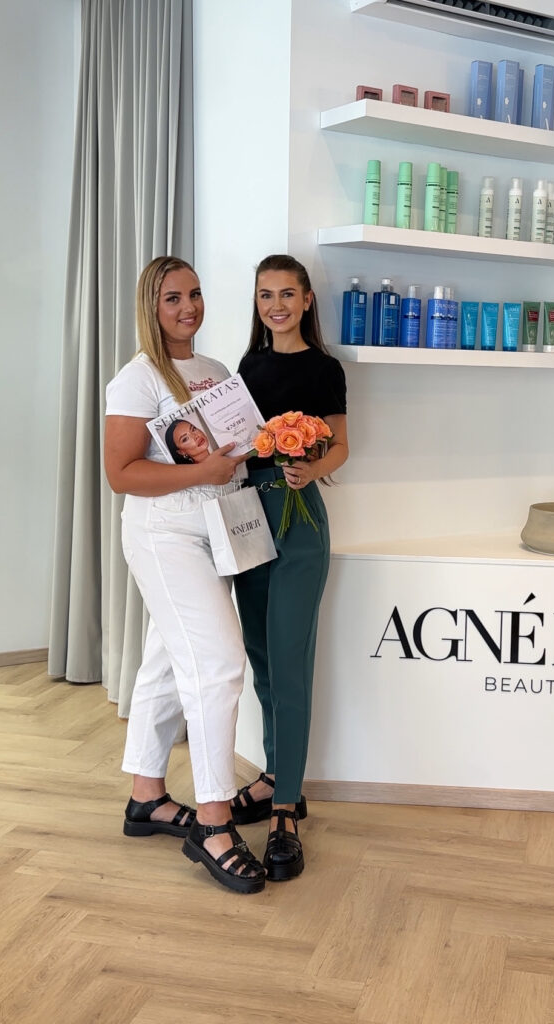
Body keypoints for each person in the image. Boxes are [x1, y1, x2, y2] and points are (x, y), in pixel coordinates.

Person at [104, 255, 265, 894]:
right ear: (152, 305)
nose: (189, 307)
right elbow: (121, 473)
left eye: (194, 294)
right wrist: (203, 470)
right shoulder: (138, 378)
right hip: (164, 537)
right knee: (219, 663)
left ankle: (146, 797)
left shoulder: (216, 372)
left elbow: (230, 452)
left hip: (214, 532)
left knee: (168, 661)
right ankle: (214, 823)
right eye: (173, 298)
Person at [230, 254, 348, 882]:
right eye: (265, 295)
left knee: (291, 661)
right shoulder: (248, 366)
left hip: (300, 523)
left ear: (306, 300)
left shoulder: (325, 369)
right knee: (263, 658)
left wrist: (311, 468)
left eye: (286, 294)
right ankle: (279, 775)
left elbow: (341, 444)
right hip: (248, 522)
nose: (275, 305)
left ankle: (284, 811)